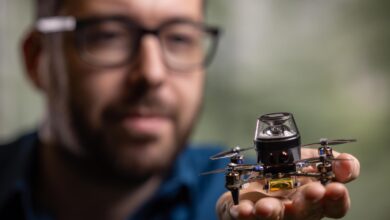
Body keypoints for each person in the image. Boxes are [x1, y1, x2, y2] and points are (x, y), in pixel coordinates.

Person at [0, 0, 360, 219]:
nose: (152, 73)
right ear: (38, 59)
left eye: (179, 38)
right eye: (109, 35)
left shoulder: (240, 195)